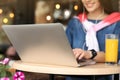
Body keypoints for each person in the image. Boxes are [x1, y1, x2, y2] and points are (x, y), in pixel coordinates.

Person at [66, 0, 120, 80]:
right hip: (75, 77)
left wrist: (89, 54)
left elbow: (114, 57)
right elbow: (63, 52)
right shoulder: (75, 23)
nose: (87, 0)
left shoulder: (116, 23)